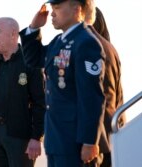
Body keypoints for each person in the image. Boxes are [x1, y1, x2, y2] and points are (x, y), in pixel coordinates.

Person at [19, 0, 109, 166]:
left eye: (57, 7)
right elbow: (33, 58)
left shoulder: (86, 43)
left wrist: (90, 141)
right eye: (52, 8)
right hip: (56, 138)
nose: (52, 13)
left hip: (75, 140)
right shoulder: (58, 41)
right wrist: (34, 27)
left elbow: (91, 97)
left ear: (77, 9)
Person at [0, 17, 46, 167]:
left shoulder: (31, 63)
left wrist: (36, 137)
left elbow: (41, 103)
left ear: (13, 34)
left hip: (21, 138)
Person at [85, 7, 126, 167]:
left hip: (95, 137)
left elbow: (95, 96)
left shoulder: (92, 48)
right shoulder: (110, 48)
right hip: (111, 132)